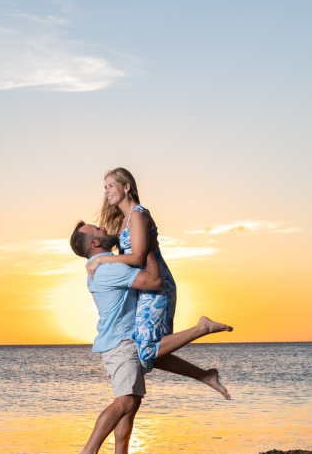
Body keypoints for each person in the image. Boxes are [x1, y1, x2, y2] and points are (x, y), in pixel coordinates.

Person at [70, 221, 232, 454]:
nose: (103, 228)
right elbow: (154, 281)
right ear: (94, 243)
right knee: (125, 401)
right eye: (98, 230)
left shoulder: (104, 266)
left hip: (124, 340)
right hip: (121, 342)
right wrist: (149, 249)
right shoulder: (108, 270)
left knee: (132, 400)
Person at [87, 168, 230, 398]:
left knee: (146, 352)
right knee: (149, 353)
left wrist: (103, 259)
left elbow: (138, 258)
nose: (107, 192)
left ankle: (202, 328)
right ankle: (205, 375)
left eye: (111, 186)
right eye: (105, 187)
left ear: (127, 187)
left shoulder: (137, 215)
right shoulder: (125, 219)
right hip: (146, 288)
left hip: (157, 287)